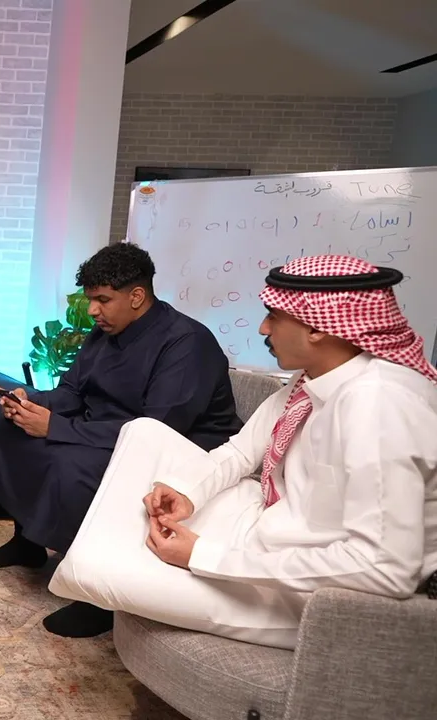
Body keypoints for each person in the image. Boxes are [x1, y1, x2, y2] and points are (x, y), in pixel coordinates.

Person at [49, 255, 437, 649]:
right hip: (272, 529)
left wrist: (204, 556)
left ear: (318, 327)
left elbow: (383, 568)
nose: (263, 328)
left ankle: (115, 566)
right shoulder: (314, 380)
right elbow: (239, 451)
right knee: (144, 433)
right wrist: (186, 491)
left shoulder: (379, 406)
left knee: (94, 572)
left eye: (273, 316)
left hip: (315, 594)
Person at [0, 242, 242, 638]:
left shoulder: (186, 342)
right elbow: (71, 392)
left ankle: (97, 596)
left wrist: (57, 429)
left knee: (71, 464)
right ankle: (27, 543)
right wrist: (31, 402)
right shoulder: (104, 333)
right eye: (91, 299)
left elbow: (158, 427)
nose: (93, 310)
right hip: (110, 432)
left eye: (103, 300)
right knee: (13, 432)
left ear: (137, 296)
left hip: (176, 446)